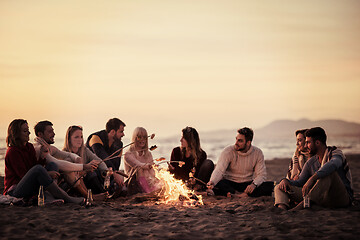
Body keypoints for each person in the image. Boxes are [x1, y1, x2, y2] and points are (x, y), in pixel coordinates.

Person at [3, 119, 84, 204]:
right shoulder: (13, 152)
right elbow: (23, 175)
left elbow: (34, 166)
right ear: (16, 134)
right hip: (15, 191)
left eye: (28, 130)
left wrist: (42, 157)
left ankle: (49, 197)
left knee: (53, 165)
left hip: (29, 185)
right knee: (38, 169)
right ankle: (66, 197)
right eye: (25, 131)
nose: (29, 133)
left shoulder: (29, 147)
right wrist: (47, 174)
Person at [274, 127, 353, 210]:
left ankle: (297, 208)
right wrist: (285, 181)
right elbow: (300, 182)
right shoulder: (311, 162)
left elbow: (334, 164)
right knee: (280, 186)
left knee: (329, 174)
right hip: (321, 197)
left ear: (317, 143)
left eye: (308, 142)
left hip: (341, 198)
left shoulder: (335, 152)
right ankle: (282, 210)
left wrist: (313, 178)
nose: (306, 145)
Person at [207, 127, 273, 197]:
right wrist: (212, 182)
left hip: (246, 184)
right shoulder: (228, 151)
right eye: (236, 139)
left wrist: (254, 185)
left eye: (240, 141)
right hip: (229, 182)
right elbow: (219, 170)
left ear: (248, 143)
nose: (236, 143)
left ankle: (237, 194)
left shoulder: (257, 153)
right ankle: (240, 195)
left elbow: (261, 174)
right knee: (220, 184)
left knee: (269, 186)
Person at [33, 121, 99, 190]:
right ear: (40, 134)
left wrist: (77, 159)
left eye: (53, 131)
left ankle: (90, 195)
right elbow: (58, 163)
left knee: (70, 161)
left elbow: (68, 154)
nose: (54, 134)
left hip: (53, 183)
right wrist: (84, 166)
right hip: (38, 186)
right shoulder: (40, 148)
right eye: (50, 132)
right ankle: (87, 196)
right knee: (59, 164)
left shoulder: (49, 147)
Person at [63, 125, 110, 199]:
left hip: (84, 182)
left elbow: (98, 160)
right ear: (69, 139)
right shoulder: (65, 154)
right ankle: (92, 197)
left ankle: (102, 194)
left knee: (93, 172)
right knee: (84, 174)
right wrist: (85, 169)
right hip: (71, 185)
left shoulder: (84, 150)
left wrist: (106, 171)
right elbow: (71, 173)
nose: (80, 140)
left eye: (81, 137)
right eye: (76, 137)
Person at [168, 126, 214, 191]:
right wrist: (172, 169)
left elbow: (200, 173)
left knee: (209, 163)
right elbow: (173, 174)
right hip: (180, 183)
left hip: (195, 184)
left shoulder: (201, 154)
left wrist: (194, 181)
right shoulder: (176, 151)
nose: (180, 140)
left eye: (183, 138)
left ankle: (196, 189)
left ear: (190, 140)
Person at [124, 127, 159, 195]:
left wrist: (155, 167)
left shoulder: (148, 154)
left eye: (144, 137)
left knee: (154, 171)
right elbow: (138, 164)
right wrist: (149, 166)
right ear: (135, 138)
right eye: (139, 137)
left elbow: (151, 169)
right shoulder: (128, 154)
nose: (142, 140)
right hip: (132, 184)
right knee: (139, 168)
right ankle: (148, 192)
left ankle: (152, 188)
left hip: (147, 181)